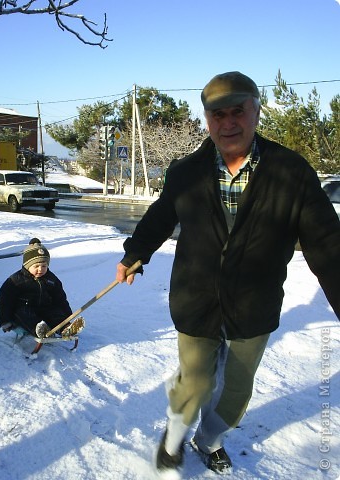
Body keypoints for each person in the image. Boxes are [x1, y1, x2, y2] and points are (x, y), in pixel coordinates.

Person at [115, 71, 340, 477]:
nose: (229, 122)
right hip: (196, 298)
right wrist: (136, 252)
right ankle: (173, 439)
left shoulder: (292, 172)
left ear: (257, 111)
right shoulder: (186, 171)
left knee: (233, 398)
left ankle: (209, 440)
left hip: (254, 306)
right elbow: (162, 215)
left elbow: (329, 247)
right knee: (196, 383)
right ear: (207, 119)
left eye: (239, 111)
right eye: (218, 114)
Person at [0, 238, 72, 337]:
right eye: (36, 266)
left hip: (44, 309)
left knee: (54, 313)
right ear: (27, 265)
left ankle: (65, 328)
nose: (40, 269)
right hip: (23, 310)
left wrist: (67, 315)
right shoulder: (16, 281)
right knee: (25, 315)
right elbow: (4, 301)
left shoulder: (52, 280)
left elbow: (60, 299)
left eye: (44, 266)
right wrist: (4, 320)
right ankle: (40, 330)